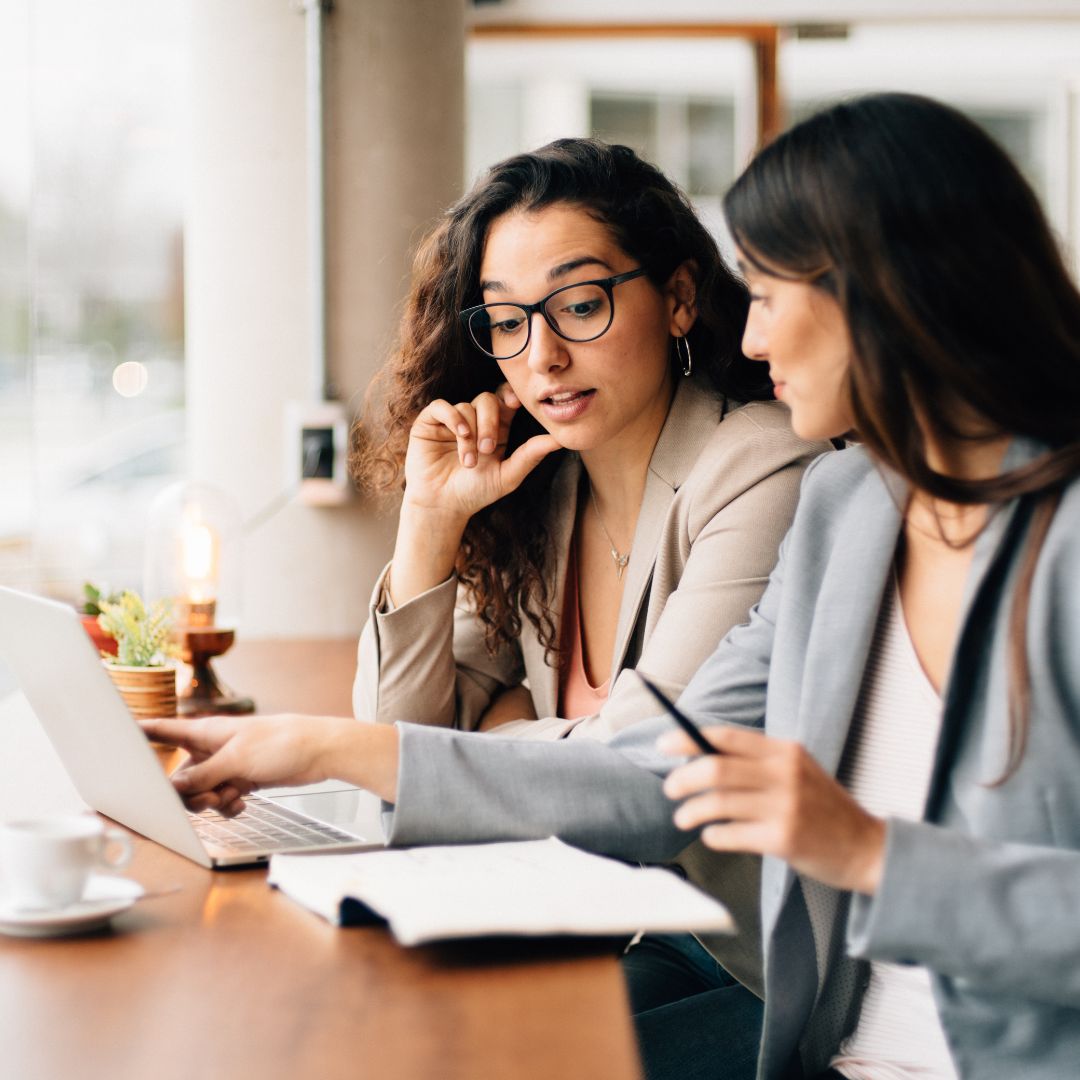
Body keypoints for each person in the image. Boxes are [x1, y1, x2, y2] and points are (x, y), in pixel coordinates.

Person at [144, 92, 1080, 1079]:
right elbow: (654, 774)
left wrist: (869, 854)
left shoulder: (1039, 534)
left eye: (767, 294)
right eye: (509, 321)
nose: (752, 340)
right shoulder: (849, 509)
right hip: (821, 1042)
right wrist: (320, 743)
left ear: (885, 292)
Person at [345, 135, 827, 1060]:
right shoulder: (541, 485)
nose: (544, 356)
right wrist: (429, 521)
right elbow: (402, 739)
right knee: (402, 1040)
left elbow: (636, 776)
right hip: (627, 926)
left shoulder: (762, 467)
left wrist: (500, 734)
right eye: (508, 321)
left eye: (579, 304)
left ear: (678, 297)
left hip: (765, 964)